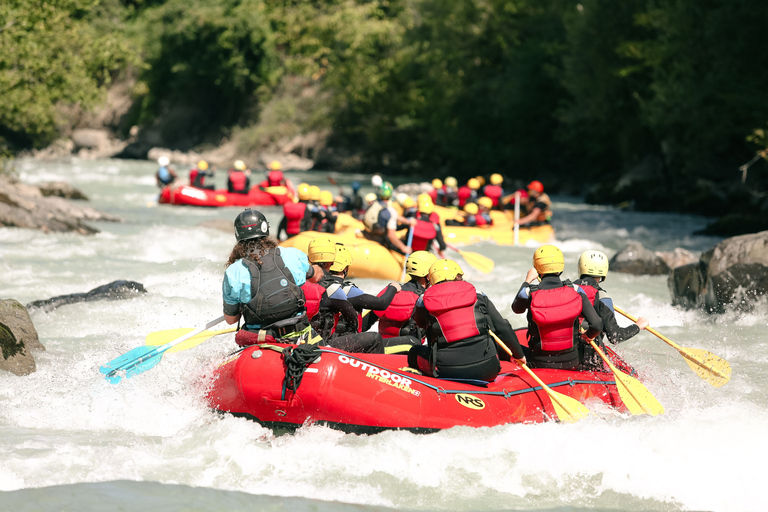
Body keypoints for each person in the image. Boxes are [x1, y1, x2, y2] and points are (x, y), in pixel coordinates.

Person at [410, 259, 526, 381]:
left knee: (414, 352)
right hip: (489, 369)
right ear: (458, 276)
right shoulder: (478, 294)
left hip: (447, 370)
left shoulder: (424, 300)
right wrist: (519, 355)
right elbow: (502, 327)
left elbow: (420, 323)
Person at [222, 209, 324, 346]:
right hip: (300, 336)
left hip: (259, 340)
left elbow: (231, 319)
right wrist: (318, 269)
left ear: (238, 234)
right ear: (265, 229)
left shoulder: (232, 271)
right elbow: (315, 277)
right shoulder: (292, 254)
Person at [511, 245, 603, 370]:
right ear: (561, 266)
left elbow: (516, 309)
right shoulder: (576, 290)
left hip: (539, 362)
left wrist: (527, 281)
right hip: (573, 362)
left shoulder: (529, 292)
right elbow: (597, 324)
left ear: (537, 267)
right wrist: (589, 335)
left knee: (502, 342)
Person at [573, 250, 649, 369]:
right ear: (604, 272)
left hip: (565, 351)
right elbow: (615, 337)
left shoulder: (566, 288)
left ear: (580, 267)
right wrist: (637, 326)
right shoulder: (603, 297)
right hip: (588, 358)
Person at [308, 239, 386, 353]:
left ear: (309, 259)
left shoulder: (300, 282)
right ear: (332, 261)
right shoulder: (333, 288)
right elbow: (352, 317)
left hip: (303, 340)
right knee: (376, 338)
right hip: (324, 345)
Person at [374, 251, 436, 340]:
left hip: (382, 346)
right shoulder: (424, 298)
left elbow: (367, 321)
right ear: (428, 276)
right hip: (409, 348)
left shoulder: (391, 290)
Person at [362, 182, 413, 255]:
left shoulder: (374, 204)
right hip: (380, 239)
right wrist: (403, 248)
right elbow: (391, 235)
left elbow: (395, 216)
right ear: (390, 195)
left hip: (368, 234)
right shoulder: (390, 211)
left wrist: (407, 222)